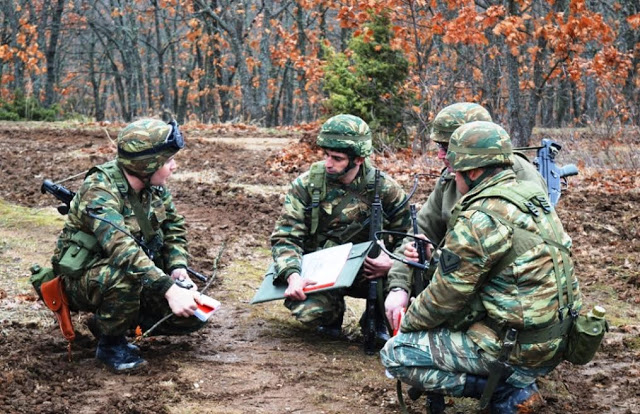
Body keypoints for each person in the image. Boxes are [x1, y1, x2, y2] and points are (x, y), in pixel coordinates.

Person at [380, 121, 582, 413]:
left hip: (520, 349)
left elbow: (444, 297)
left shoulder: (480, 217)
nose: (452, 178)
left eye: (455, 171)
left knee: (396, 354)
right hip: (560, 339)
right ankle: (513, 381)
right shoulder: (532, 197)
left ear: (472, 172)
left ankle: (503, 392)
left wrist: (407, 326)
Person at [51, 119, 206, 373]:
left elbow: (173, 228)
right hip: (83, 278)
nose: (174, 166)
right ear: (147, 165)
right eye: (168, 161)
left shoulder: (154, 187)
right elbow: (122, 249)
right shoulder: (100, 189)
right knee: (125, 278)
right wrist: (167, 288)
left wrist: (178, 269)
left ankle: (113, 321)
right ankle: (110, 344)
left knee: (190, 319)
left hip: (128, 272)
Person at [385, 103, 548, 331]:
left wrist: (437, 261)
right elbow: (419, 232)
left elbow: (522, 257)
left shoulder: (521, 177)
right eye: (439, 146)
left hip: (509, 300)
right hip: (460, 280)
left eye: (448, 146)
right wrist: (399, 287)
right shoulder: (451, 177)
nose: (441, 155)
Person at [270, 114, 411, 339]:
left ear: (358, 160)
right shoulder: (307, 185)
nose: (328, 163)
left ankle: (377, 320)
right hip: (322, 272)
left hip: (370, 271)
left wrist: (393, 263)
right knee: (312, 313)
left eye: (337, 158)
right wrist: (292, 275)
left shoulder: (385, 189)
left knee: (412, 284)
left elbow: (411, 236)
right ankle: (331, 314)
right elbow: (285, 237)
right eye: (326, 155)